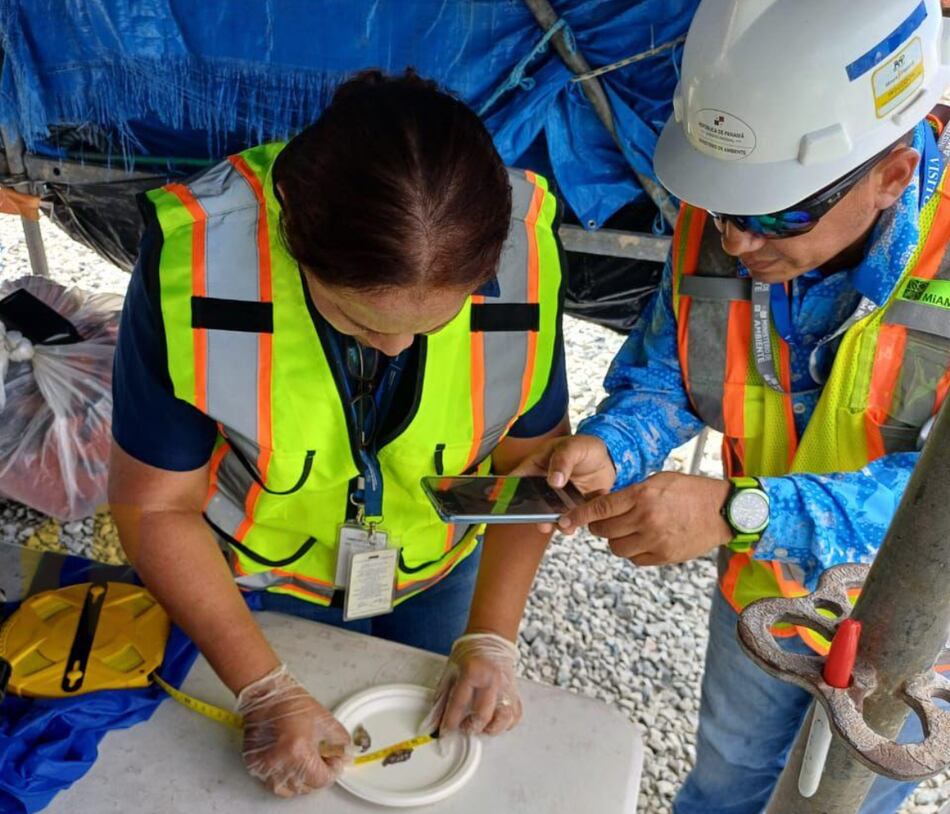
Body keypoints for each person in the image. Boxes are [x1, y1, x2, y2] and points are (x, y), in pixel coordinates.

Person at [518, 1, 950, 811]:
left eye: (778, 214)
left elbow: (939, 509)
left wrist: (738, 511)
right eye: (725, 208)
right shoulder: (722, 216)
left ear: (892, 174)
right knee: (724, 785)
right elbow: (673, 371)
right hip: (762, 591)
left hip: (920, 630)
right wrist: (617, 442)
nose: (740, 241)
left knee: (841, 801)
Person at [108, 70, 569, 798]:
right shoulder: (195, 262)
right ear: (294, 229)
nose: (394, 349)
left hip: (438, 567)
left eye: (434, 324)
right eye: (359, 322)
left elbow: (527, 472)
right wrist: (263, 686)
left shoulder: (524, 255)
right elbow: (155, 505)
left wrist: (492, 637)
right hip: (259, 572)